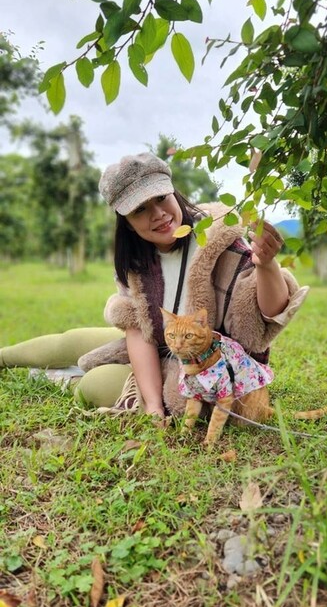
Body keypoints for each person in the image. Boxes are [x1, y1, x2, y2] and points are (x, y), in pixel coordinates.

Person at [0, 153, 309, 417]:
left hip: (204, 369)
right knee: (71, 341)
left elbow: (267, 314)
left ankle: (59, 377)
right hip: (159, 345)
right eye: (140, 210)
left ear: (174, 192)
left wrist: (267, 265)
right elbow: (138, 331)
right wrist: (150, 402)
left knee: (94, 385)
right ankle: (6, 357)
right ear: (127, 221)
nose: (159, 215)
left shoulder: (218, 238)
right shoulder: (137, 263)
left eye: (161, 198)